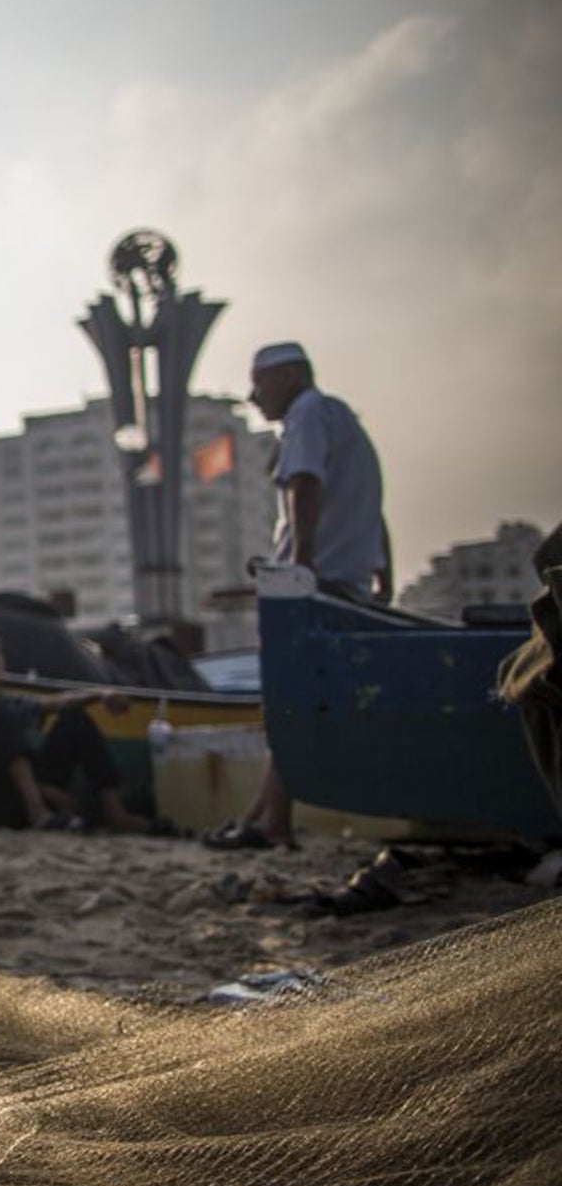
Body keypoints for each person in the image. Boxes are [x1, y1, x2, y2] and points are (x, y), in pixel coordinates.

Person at [207, 342, 389, 851]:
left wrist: (299, 568)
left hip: (314, 585)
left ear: (288, 376)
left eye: (258, 383)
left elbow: (304, 483)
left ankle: (269, 820)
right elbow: (373, 507)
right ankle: (268, 818)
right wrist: (383, 574)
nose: (252, 396)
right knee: (295, 703)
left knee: (287, 702)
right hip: (339, 581)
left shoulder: (307, 415)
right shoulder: (342, 420)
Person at [0, 630, 158, 833]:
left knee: (74, 718)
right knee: (6, 719)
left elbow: (55, 703)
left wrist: (101, 694)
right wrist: (48, 792)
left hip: (21, 797)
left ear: (1, 666)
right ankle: (39, 813)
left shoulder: (5, 702)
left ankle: (116, 813)